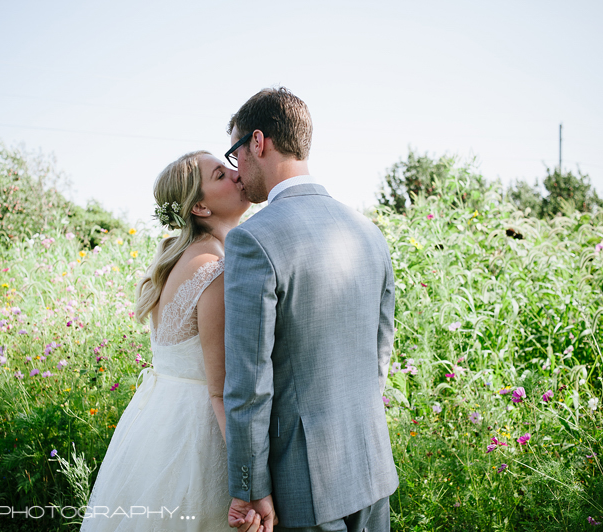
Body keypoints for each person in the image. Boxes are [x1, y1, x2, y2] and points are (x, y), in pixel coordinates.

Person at [222, 88, 399, 532]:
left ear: (257, 142)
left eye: (235, 151)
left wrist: (250, 485)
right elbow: (380, 354)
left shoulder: (254, 239)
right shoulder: (369, 232)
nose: (236, 169)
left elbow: (249, 383)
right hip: (371, 467)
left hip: (302, 483)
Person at [81, 150, 263, 532]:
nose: (235, 174)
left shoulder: (190, 257)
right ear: (199, 206)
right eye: (219, 174)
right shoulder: (212, 268)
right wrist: (248, 484)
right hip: (198, 436)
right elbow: (220, 389)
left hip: (162, 420)